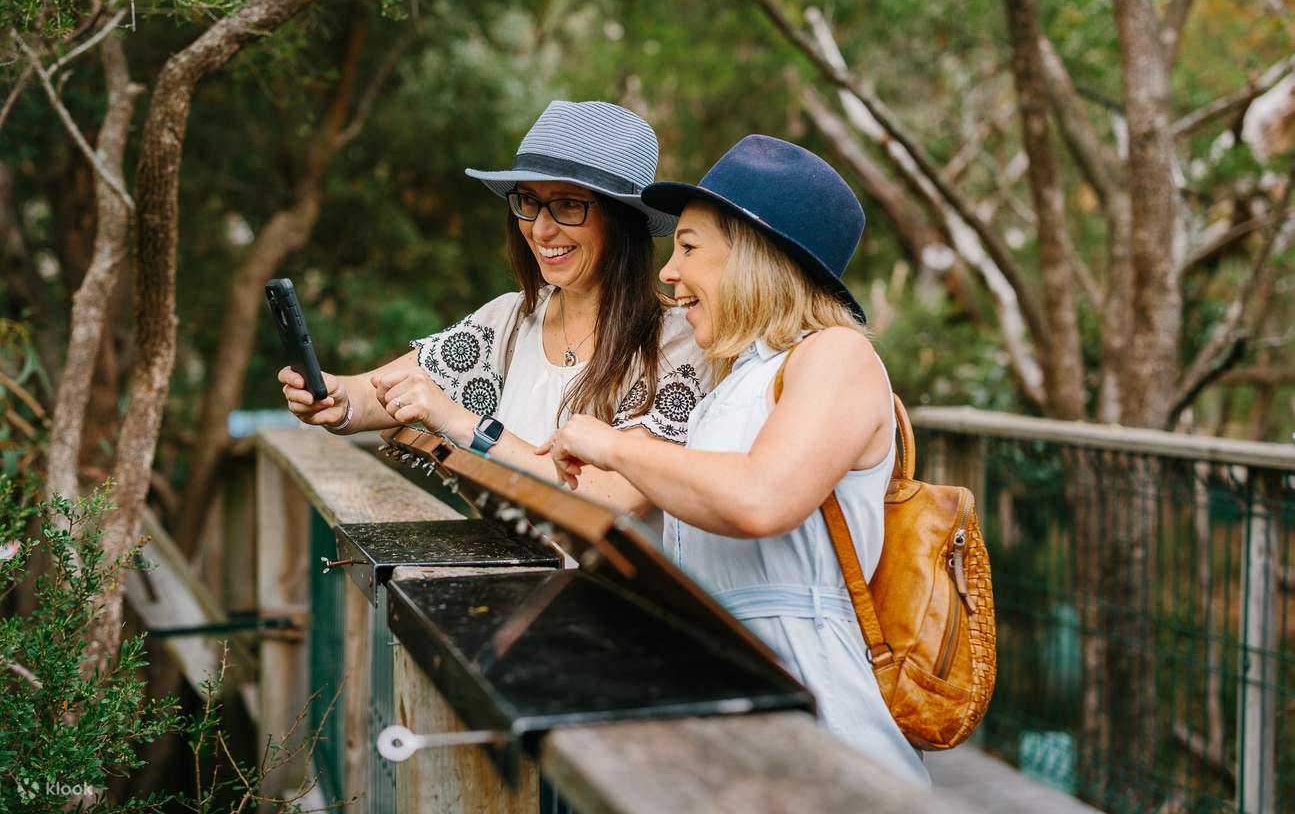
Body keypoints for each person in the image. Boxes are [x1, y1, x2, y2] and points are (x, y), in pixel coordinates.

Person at [539, 135, 930, 787]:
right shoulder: (731, 384)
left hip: (817, 715)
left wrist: (618, 446)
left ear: (755, 254)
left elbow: (759, 499)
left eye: (688, 247)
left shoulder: (835, 355)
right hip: (727, 703)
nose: (667, 272)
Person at [279, 101, 708, 514]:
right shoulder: (510, 320)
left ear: (622, 221)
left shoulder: (678, 342)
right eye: (527, 201)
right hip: (509, 584)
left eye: (568, 205)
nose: (540, 229)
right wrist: (335, 401)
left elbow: (613, 497)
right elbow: (381, 391)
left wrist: (467, 426)